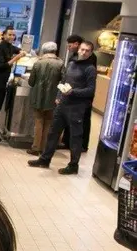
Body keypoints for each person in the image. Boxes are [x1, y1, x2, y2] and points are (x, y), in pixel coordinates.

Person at [28, 41, 96, 175]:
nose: (83, 52)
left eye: (87, 50)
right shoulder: (71, 64)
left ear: (91, 53)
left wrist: (73, 92)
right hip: (62, 105)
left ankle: (73, 165)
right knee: (53, 133)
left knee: (75, 137)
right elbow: (64, 81)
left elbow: (91, 90)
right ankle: (45, 159)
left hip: (76, 108)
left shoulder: (90, 69)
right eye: (82, 49)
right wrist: (59, 96)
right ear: (78, 49)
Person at [27, 42, 65, 156]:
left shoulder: (38, 63)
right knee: (48, 122)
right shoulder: (60, 63)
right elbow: (63, 81)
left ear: (43, 51)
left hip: (37, 96)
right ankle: (44, 148)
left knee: (38, 121)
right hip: (53, 98)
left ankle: (36, 147)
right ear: (55, 51)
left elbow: (31, 82)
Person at [65, 34, 97, 152]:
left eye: (70, 45)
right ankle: (68, 142)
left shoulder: (89, 60)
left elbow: (89, 85)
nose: (68, 48)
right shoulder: (74, 57)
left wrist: (74, 91)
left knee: (83, 120)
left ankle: (81, 145)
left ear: (76, 44)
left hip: (82, 96)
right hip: (73, 94)